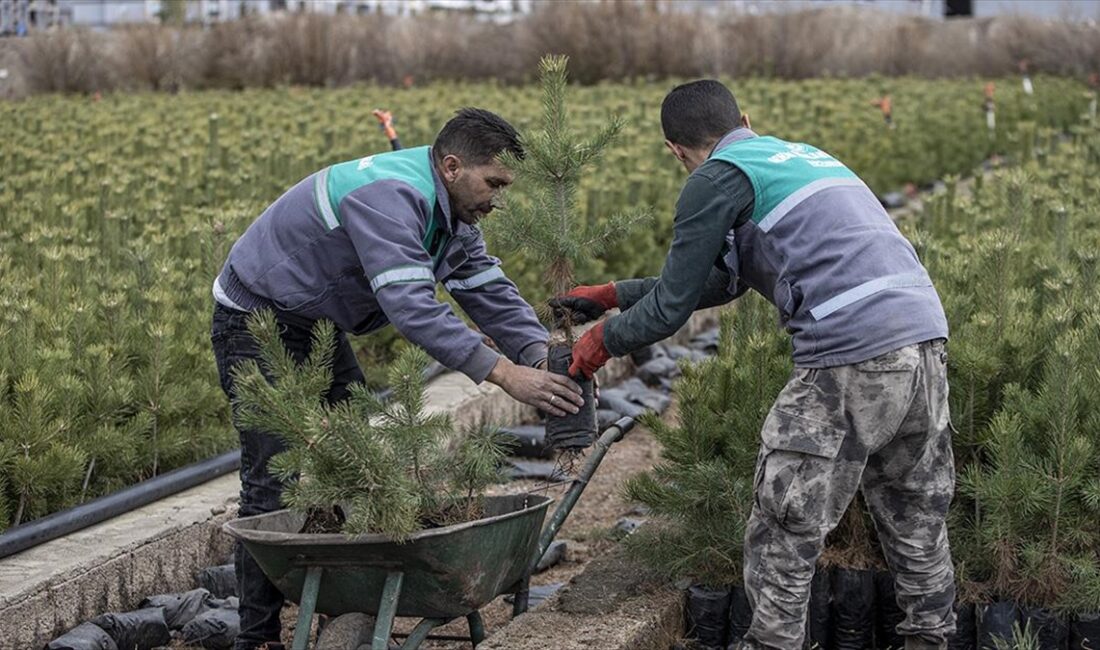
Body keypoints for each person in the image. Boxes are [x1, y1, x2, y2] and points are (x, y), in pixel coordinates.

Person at [552, 80, 955, 650]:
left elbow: (672, 308)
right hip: (924, 341)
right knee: (916, 518)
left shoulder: (714, 178)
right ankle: (931, 640)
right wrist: (615, 293)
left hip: (848, 352)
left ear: (675, 149)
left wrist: (598, 344)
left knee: (784, 523)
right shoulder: (800, 157)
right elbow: (722, 281)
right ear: (744, 117)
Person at [212, 108, 583, 650]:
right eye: (494, 182)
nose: (498, 198)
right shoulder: (389, 196)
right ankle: (258, 637)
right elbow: (410, 305)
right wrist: (506, 375)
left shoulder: (453, 212)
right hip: (256, 317)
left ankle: (335, 607)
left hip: (314, 320)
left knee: (359, 456)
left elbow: (488, 291)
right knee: (272, 476)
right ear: (453, 167)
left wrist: (542, 354)